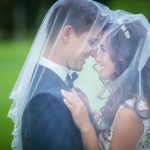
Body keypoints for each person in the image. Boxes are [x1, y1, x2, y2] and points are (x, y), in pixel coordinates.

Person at [8, 0, 110, 149]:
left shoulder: (49, 82)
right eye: (92, 42)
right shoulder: (46, 101)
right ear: (67, 34)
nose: (95, 54)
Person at [62, 14, 150, 150]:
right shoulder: (130, 97)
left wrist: (85, 125)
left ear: (123, 54)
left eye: (103, 49)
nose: (97, 58)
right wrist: (89, 113)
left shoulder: (129, 113)